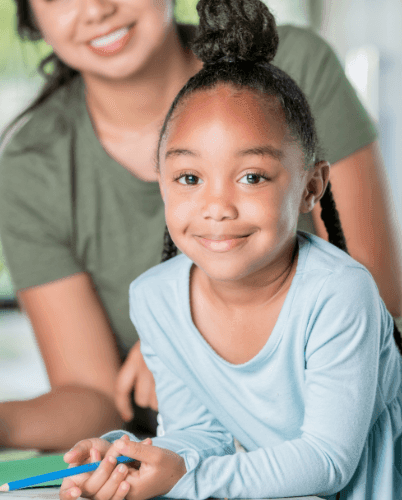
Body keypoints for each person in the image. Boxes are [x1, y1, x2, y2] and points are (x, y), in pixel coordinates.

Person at [0, 0, 402, 472]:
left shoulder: (292, 65)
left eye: (251, 175)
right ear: (31, 16)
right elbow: (99, 398)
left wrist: (193, 336)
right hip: (181, 458)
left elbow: (375, 305)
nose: (95, 8)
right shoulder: (33, 166)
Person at [58, 1, 402, 499]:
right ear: (162, 184)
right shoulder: (155, 299)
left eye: (252, 177)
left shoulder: (341, 292)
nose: (216, 206)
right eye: (189, 178)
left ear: (311, 187)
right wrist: (131, 460)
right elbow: (202, 438)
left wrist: (182, 480)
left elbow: (327, 462)